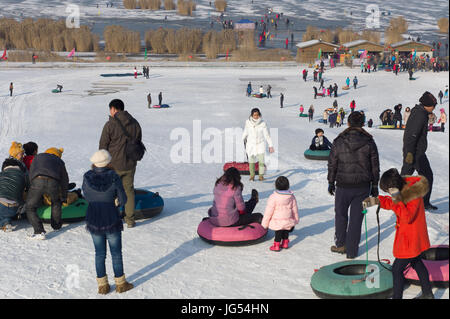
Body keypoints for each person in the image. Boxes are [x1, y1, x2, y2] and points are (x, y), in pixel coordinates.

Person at [362, 168, 433, 299]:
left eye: (388, 191)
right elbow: (394, 203)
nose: (389, 194)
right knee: (417, 262)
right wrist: (377, 201)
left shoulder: (414, 195)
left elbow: (406, 216)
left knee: (397, 269)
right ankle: (428, 294)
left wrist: (395, 197)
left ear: (393, 187)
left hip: (411, 238)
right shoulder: (402, 189)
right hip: (410, 237)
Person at [327, 111, 380, 259]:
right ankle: (351, 251)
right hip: (362, 187)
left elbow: (332, 163)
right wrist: (375, 185)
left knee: (341, 215)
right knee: (357, 219)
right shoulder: (369, 141)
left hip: (343, 186)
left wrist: (331, 181)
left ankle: (341, 244)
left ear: (348, 123)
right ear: (362, 123)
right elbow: (375, 165)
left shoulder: (339, 140)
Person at [82, 149, 133, 294]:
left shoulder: (87, 177)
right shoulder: (114, 177)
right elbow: (123, 199)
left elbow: (86, 195)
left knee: (99, 253)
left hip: (94, 217)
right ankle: (121, 284)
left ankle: (103, 286)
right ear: (107, 162)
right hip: (111, 217)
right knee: (116, 253)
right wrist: (115, 202)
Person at [99, 99, 143, 228]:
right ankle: (130, 220)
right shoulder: (135, 123)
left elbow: (103, 146)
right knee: (129, 191)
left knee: (110, 192)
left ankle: (111, 218)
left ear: (113, 109)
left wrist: (102, 164)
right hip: (130, 164)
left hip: (113, 165)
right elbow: (138, 142)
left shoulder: (110, 125)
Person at [401, 92, 437, 211]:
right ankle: (401, 199)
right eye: (433, 105)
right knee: (426, 176)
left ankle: (399, 198)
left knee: (407, 175)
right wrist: (410, 153)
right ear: (428, 105)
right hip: (414, 152)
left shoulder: (421, 113)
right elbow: (412, 135)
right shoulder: (420, 115)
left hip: (416, 151)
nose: (434, 108)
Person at [26, 147, 69, 239]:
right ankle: (56, 226)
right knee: (56, 202)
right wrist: (64, 196)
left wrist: (32, 187)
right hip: (54, 182)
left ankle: (39, 231)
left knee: (30, 207)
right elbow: (65, 179)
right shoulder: (59, 161)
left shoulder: (38, 157)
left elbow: (31, 172)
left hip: (37, 180)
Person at [262, 176, 299, 251]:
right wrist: (296, 219)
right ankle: (285, 243)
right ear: (288, 186)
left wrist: (264, 223)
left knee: (278, 232)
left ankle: (276, 245)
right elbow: (295, 209)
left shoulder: (273, 197)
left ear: (276, 186)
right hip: (287, 219)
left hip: (277, 220)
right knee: (286, 230)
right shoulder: (291, 196)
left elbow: (268, 212)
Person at [242, 108, 274, 181]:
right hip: (251, 145)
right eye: (254, 115)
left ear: (259, 115)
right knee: (251, 162)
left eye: (257, 115)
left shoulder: (263, 123)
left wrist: (270, 145)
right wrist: (242, 138)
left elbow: (267, 135)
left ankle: (261, 176)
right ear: (251, 115)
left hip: (260, 144)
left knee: (261, 161)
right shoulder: (248, 122)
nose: (256, 116)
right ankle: (252, 176)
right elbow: (245, 132)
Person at [0, 158, 30, 232]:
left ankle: (5, 222)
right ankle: (6, 222)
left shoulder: (2, 175)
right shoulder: (24, 176)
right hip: (15, 207)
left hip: (2, 204)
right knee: (6, 214)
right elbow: (29, 190)